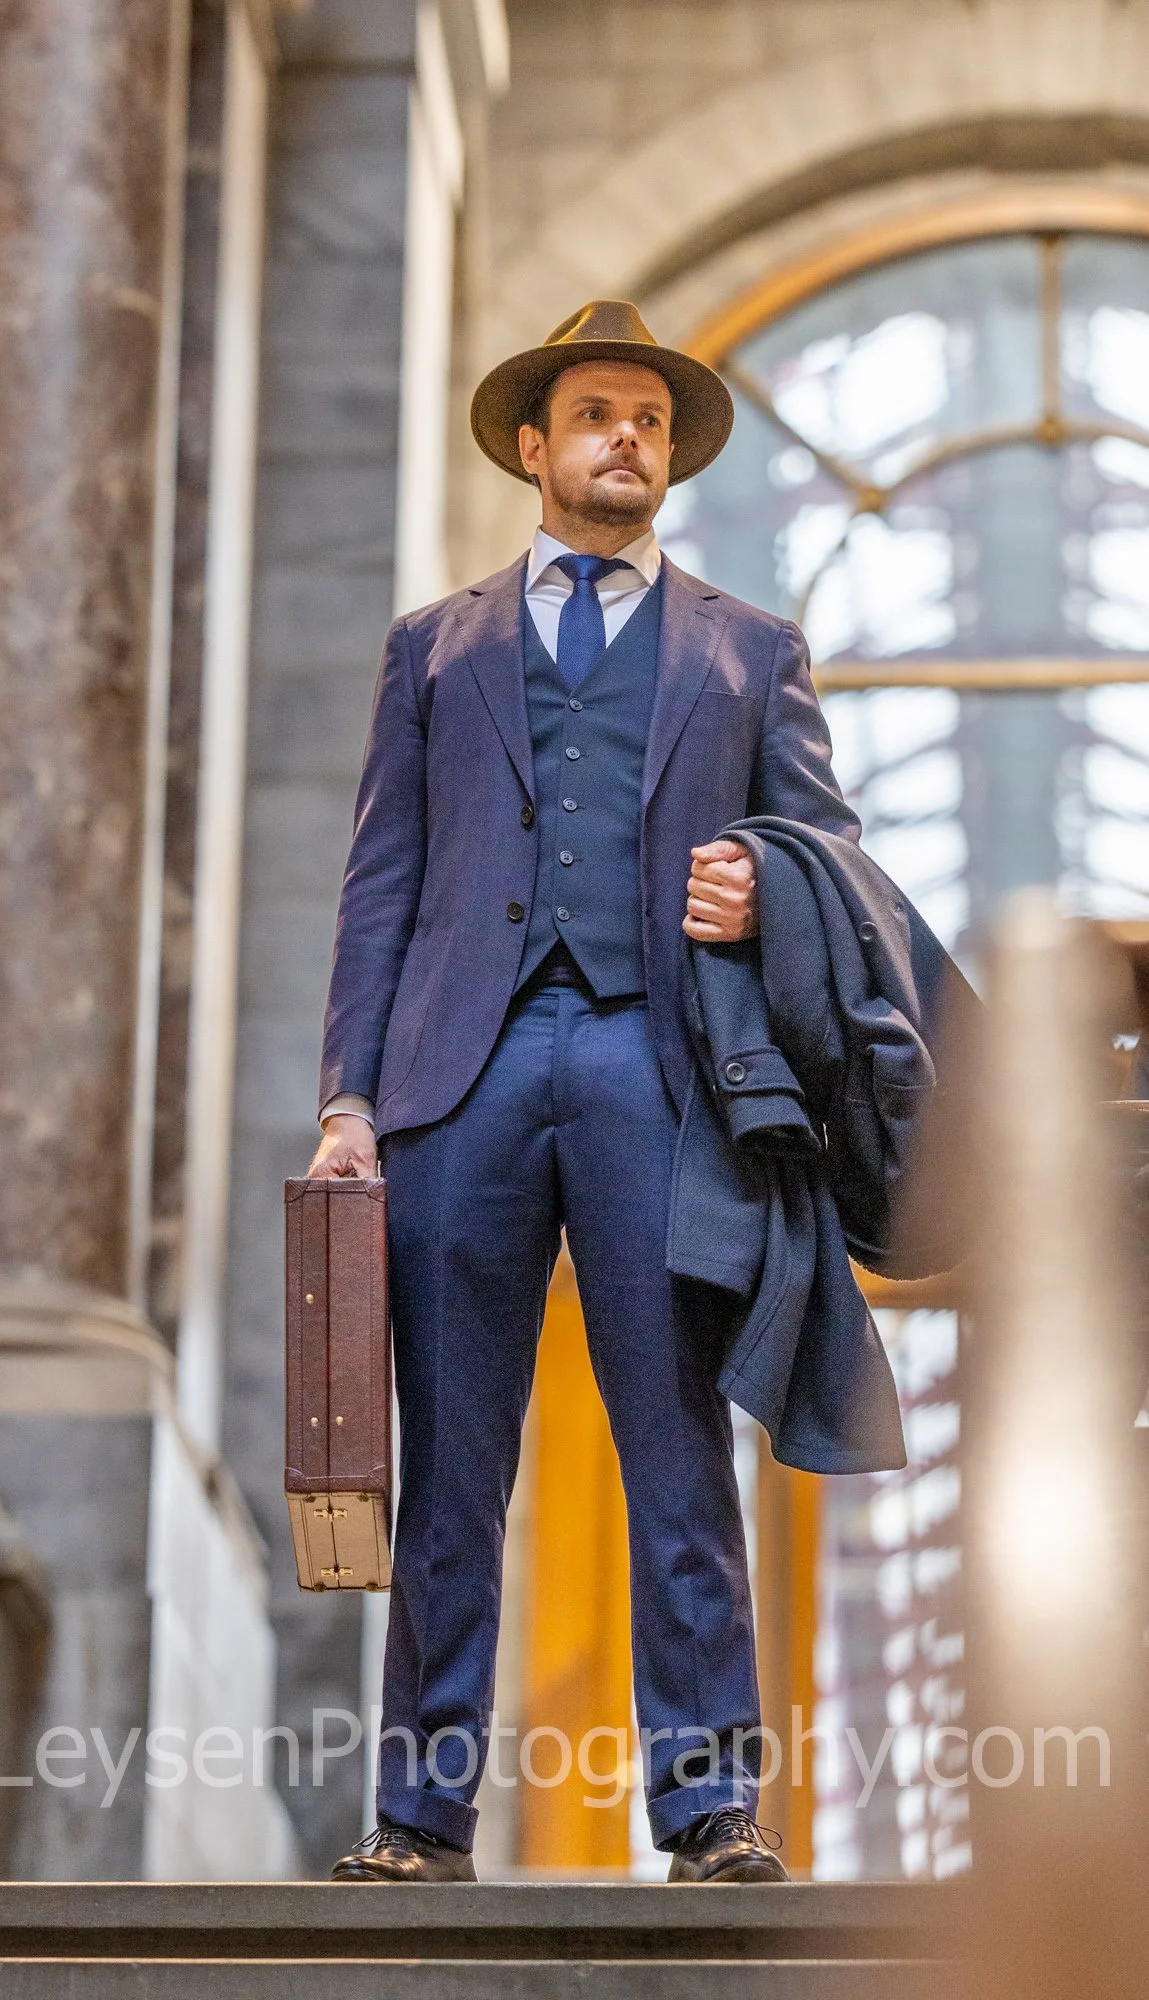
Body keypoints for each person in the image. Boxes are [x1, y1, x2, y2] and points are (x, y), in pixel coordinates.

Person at [309, 300, 859, 1884]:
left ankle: (706, 1811)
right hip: (455, 1079)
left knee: (676, 1448)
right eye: (603, 416)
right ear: (536, 449)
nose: (634, 439)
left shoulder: (752, 653)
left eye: (657, 423)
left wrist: (764, 877)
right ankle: (421, 1818)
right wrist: (350, 1098)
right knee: (452, 1461)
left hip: (664, 1076)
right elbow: (380, 886)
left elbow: (827, 851)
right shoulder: (435, 646)